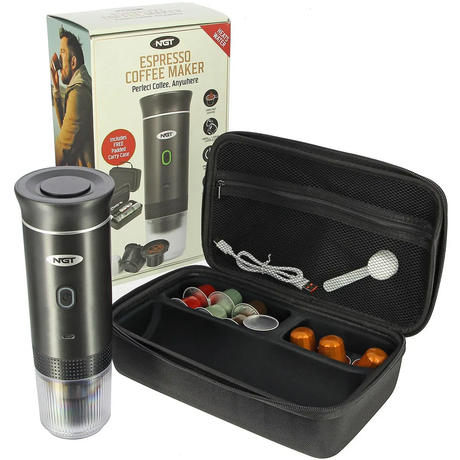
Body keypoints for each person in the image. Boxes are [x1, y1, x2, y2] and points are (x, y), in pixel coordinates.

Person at [50, 26, 94, 167]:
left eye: (62, 52)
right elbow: (67, 132)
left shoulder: (78, 92)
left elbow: (64, 147)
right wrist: (57, 89)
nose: (59, 61)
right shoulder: (83, 84)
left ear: (73, 62)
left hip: (85, 175)